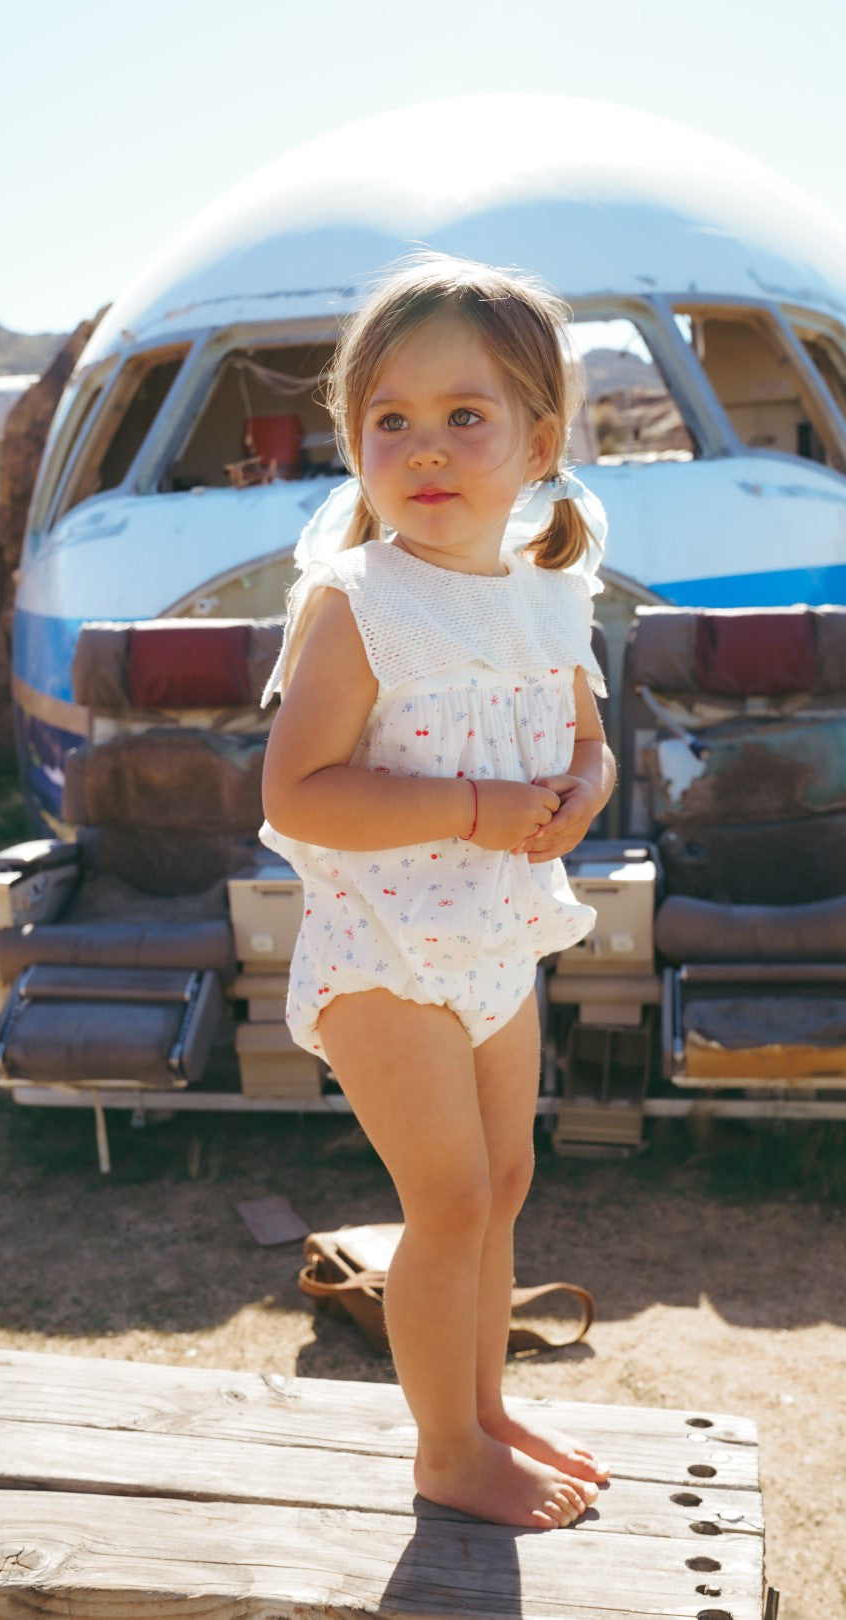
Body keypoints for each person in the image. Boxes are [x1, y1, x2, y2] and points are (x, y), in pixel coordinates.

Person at [259, 253, 617, 1530]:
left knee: (504, 1184)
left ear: (539, 443)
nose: (424, 447)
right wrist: (473, 808)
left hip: (494, 945)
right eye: (390, 419)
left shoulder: (551, 596)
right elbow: (298, 793)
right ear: (355, 443)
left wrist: (584, 790)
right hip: (383, 956)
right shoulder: (359, 605)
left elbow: (587, 741)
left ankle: (486, 1409)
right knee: (449, 1200)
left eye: (465, 415)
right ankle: (445, 1453)